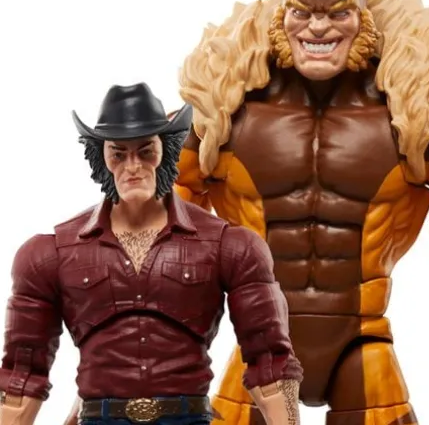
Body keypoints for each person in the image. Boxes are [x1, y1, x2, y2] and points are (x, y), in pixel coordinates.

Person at [174, 0, 429, 424]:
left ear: (364, 18)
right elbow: (151, 265)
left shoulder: (415, 130)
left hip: (364, 341)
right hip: (258, 345)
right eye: (303, 12)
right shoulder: (218, 124)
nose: (318, 28)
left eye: (337, 13)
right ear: (282, 17)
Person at [0, 83, 303, 425]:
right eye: (119, 154)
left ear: (167, 151)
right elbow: (22, 373)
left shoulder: (229, 245)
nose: (133, 166)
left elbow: (270, 363)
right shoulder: (51, 252)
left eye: (145, 151)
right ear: (101, 157)